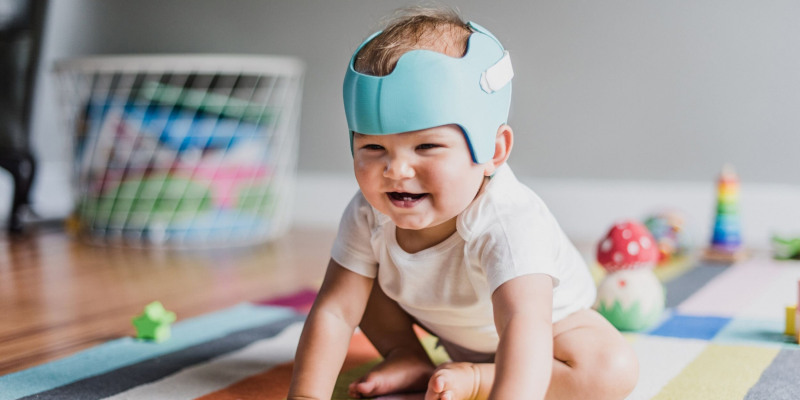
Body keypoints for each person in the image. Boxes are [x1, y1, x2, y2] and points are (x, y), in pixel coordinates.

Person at [288, 7, 638, 400]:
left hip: (547, 336)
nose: (396, 170)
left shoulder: (508, 220)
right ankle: (407, 355)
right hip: (446, 325)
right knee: (356, 283)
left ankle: (478, 378)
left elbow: (525, 325)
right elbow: (335, 312)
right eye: (373, 147)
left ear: (493, 149)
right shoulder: (369, 212)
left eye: (426, 146)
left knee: (611, 370)